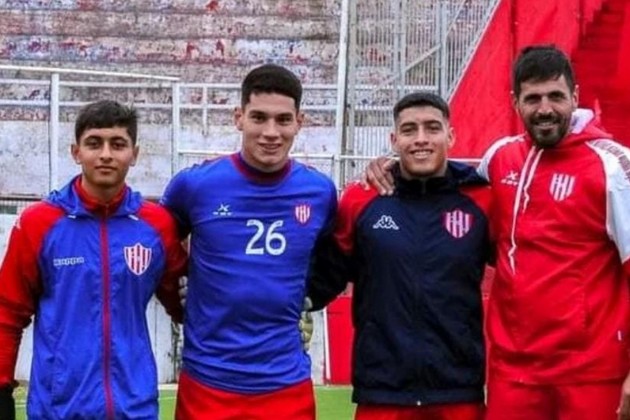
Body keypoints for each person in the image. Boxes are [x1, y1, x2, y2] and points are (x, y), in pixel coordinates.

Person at [365, 45, 630, 420]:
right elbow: (442, 183)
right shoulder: (500, 158)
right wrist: (394, 164)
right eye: (532, 98)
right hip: (513, 371)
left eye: (555, 96)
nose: (545, 109)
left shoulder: (613, 165)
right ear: (514, 102)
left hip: (591, 371)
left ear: (575, 96)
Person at [160, 63, 337, 420]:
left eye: (283, 120)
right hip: (207, 381)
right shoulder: (195, 186)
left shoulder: (319, 192)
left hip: (286, 382)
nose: (271, 132)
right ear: (238, 118)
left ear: (299, 122)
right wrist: (180, 293)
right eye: (259, 118)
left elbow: (336, 258)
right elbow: (156, 244)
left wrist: (309, 298)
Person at [308, 91, 492, 420]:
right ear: (394, 140)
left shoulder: (482, 201)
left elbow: (523, 265)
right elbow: (324, 277)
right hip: (383, 392)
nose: (421, 139)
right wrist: (287, 303)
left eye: (432, 128)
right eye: (409, 130)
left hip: (457, 391)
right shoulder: (361, 199)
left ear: (450, 136)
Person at [0, 100, 187, 419]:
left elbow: (186, 305)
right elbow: (7, 311)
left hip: (135, 408)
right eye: (94, 143)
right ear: (76, 152)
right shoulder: (38, 223)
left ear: (134, 154)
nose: (105, 154)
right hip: (59, 409)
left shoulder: (157, 226)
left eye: (118, 144)